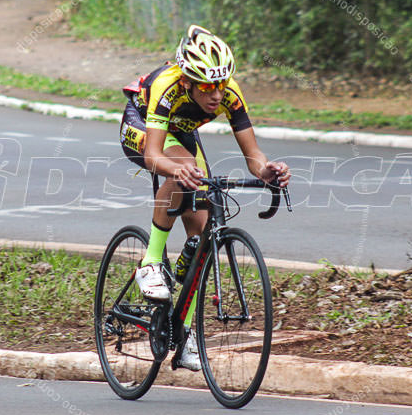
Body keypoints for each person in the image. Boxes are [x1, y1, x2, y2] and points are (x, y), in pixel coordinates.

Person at [119, 25, 290, 370]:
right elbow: (153, 154)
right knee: (181, 167)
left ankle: (184, 334)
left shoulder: (229, 93)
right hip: (142, 126)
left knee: (202, 231)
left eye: (222, 84)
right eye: (208, 86)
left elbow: (253, 155)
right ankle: (151, 262)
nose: (216, 94)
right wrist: (176, 170)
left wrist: (267, 170)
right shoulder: (167, 87)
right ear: (187, 82)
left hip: (180, 133)